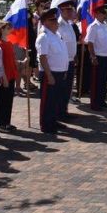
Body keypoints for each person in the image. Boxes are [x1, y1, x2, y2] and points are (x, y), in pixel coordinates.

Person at [35, 7, 67, 135]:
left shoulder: (56, 35)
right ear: (44, 22)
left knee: (55, 100)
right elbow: (43, 57)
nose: (56, 21)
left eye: (55, 19)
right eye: (52, 19)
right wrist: (49, 75)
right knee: (47, 101)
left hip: (59, 72)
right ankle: (46, 125)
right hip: (50, 73)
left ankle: (53, 121)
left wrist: (64, 70)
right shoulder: (44, 37)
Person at [85, 5, 107, 110]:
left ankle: (102, 100)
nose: (104, 14)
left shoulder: (105, 25)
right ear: (96, 14)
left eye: (104, 12)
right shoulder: (93, 26)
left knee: (103, 80)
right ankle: (95, 103)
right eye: (102, 13)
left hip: (105, 56)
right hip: (98, 57)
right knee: (96, 81)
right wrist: (93, 56)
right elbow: (90, 43)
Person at [57, 0, 79, 117]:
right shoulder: (59, 25)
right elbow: (60, 44)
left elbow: (71, 42)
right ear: (62, 10)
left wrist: (74, 55)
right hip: (63, 62)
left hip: (71, 60)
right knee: (62, 89)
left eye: (71, 10)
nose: (71, 12)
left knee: (68, 88)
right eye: (68, 10)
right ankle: (60, 112)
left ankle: (64, 110)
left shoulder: (69, 24)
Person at [0, 21, 19, 132]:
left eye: (10, 27)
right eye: (8, 27)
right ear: (2, 29)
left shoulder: (9, 43)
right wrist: (3, 77)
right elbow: (0, 63)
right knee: (3, 101)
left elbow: (12, 59)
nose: (10, 29)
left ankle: (7, 122)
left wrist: (22, 62)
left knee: (9, 100)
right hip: (4, 76)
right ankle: (1, 124)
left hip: (11, 75)